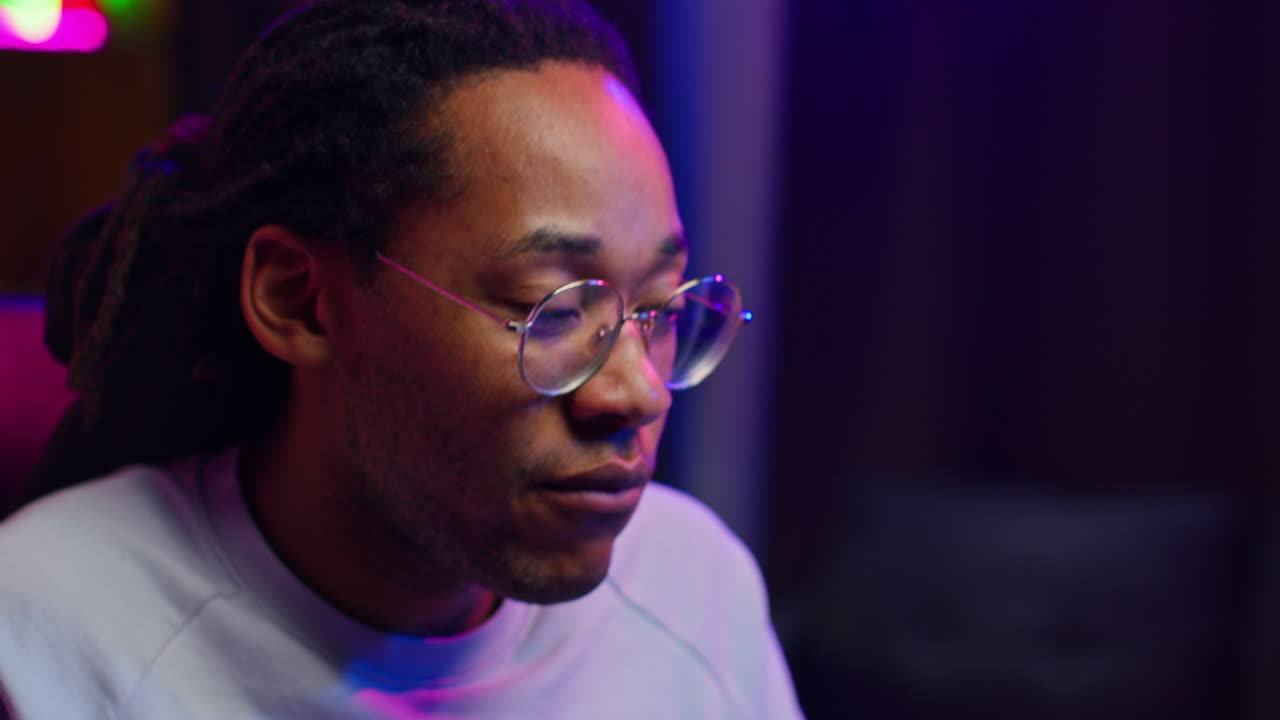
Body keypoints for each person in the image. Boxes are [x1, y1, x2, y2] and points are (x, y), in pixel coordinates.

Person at [0, 0, 804, 717]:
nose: (638, 395)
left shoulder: (692, 584)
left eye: (659, 306)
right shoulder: (47, 637)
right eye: (549, 310)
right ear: (299, 300)